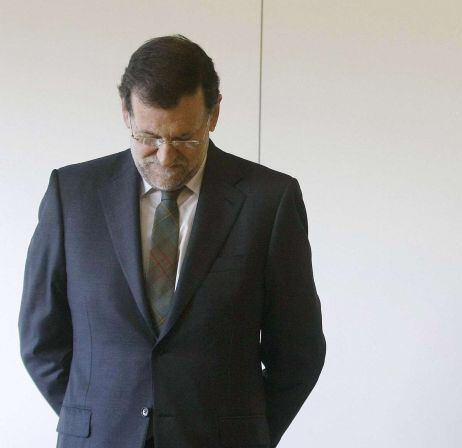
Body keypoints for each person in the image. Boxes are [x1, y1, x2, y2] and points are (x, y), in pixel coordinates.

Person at [19, 35, 325, 448]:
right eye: (148, 137)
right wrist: (95, 418)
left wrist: (247, 433)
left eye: (184, 138)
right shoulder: (71, 194)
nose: (165, 157)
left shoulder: (269, 201)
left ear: (213, 115)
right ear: (126, 113)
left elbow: (298, 352)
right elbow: (41, 339)